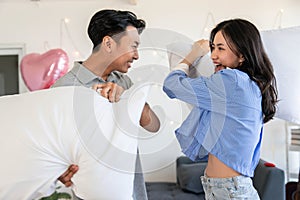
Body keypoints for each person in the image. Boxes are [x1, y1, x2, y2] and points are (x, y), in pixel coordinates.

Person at [163, 18, 278, 199]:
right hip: (227, 189)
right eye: (212, 48)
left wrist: (193, 54)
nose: (213, 55)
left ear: (242, 55)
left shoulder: (231, 81)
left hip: (230, 192)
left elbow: (172, 84)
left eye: (220, 48)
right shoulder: (248, 85)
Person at [53, 9, 160, 200]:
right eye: (133, 46)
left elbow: (153, 126)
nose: (136, 56)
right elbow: (54, 149)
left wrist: (128, 99)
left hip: (133, 193)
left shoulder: (124, 82)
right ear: (108, 43)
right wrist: (58, 170)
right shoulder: (64, 88)